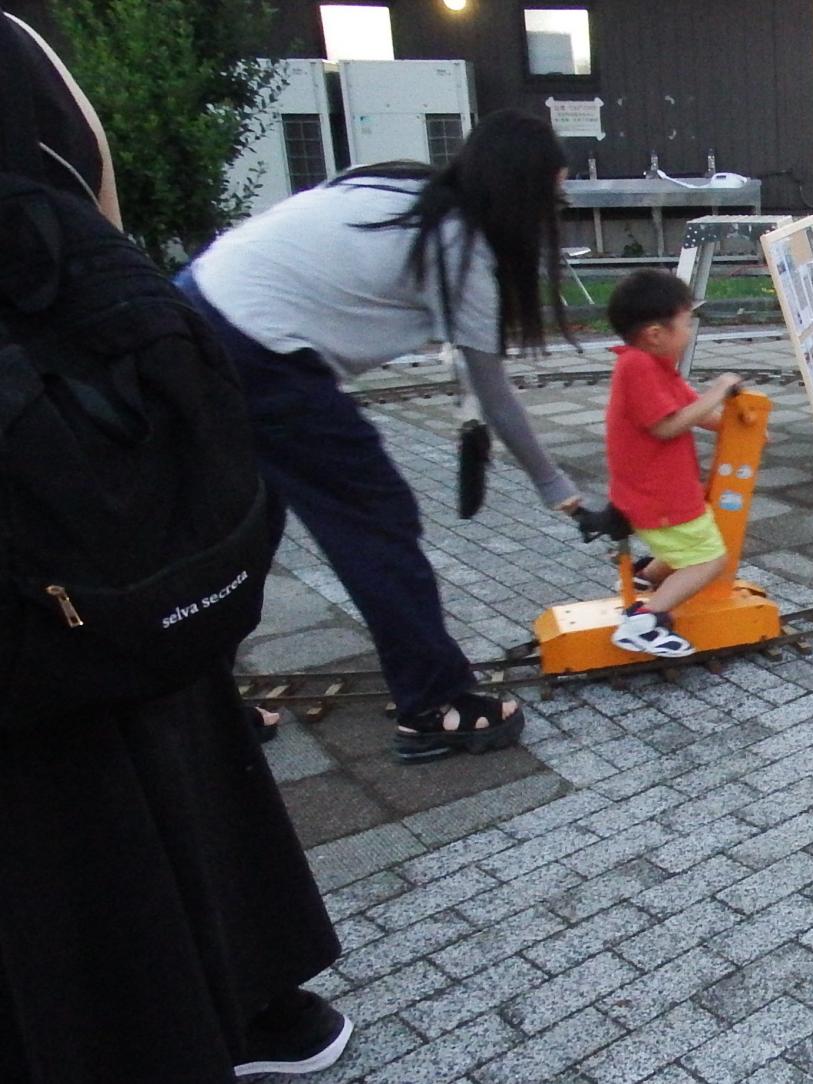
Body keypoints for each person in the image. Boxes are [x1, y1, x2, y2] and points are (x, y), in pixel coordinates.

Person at [2, 13, 347, 1081]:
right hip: (114, 524)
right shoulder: (20, 53)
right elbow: (99, 210)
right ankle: (246, 999)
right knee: (164, 740)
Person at [177, 109, 586, 763]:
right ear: (522, 193)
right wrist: (554, 486)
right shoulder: (461, 249)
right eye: (554, 198)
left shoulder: (401, 186)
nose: (554, 214)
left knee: (241, 527)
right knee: (375, 519)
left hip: (192, 309)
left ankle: (197, 707)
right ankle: (435, 703)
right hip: (260, 350)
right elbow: (496, 395)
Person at [602, 272, 742, 657]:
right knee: (711, 559)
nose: (690, 330)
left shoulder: (655, 364)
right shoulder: (638, 368)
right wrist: (719, 390)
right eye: (685, 322)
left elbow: (694, 410)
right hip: (657, 496)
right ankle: (643, 623)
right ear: (655, 333)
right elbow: (666, 426)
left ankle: (645, 579)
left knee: (693, 540)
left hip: (659, 491)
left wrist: (739, 427)